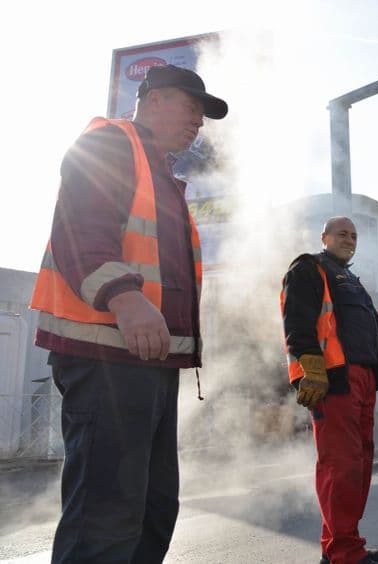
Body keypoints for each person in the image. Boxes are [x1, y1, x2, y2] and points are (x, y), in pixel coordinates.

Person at [30, 64, 228, 563]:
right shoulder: (111, 141)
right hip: (107, 355)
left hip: (146, 362)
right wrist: (124, 296)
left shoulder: (160, 174)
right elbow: (82, 225)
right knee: (107, 518)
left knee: (152, 511)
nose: (199, 123)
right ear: (155, 99)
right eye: (192, 108)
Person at [281, 216, 378, 564]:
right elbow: (296, 321)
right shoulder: (309, 268)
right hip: (332, 381)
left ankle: (340, 547)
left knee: (358, 467)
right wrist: (312, 369)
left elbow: (372, 330)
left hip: (360, 380)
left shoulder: (353, 282)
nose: (349, 239)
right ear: (324, 236)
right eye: (342, 234)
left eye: (354, 236)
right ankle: (344, 553)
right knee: (340, 466)